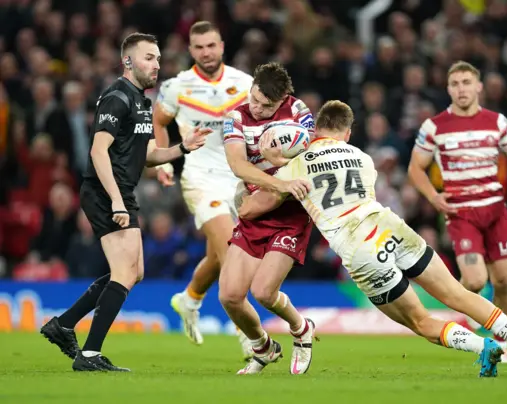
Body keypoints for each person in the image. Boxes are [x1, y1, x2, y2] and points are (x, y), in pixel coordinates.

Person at [238, 100, 507, 378]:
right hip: (390, 227)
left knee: (421, 321)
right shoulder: (363, 159)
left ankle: (483, 346)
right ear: (348, 132)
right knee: (456, 293)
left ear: (316, 130)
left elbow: (251, 210)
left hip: (359, 247)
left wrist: (274, 165)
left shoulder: (296, 165)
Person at [40, 33, 210, 372]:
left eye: (158, 58)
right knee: (124, 272)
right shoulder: (117, 97)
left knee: (135, 272)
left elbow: (148, 155)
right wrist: (117, 201)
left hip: (122, 191)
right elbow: (97, 151)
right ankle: (88, 355)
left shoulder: (142, 101)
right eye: (149, 57)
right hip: (107, 192)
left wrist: (183, 147)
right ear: (129, 61)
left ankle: (64, 324)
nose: (157, 64)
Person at [407, 61, 507, 364]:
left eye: (466, 82)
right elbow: (416, 168)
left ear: (479, 86)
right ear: (448, 88)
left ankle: (501, 341)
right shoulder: (435, 126)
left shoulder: (497, 122)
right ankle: (465, 300)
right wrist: (434, 197)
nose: (461, 89)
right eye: (454, 84)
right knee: (476, 280)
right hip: (461, 212)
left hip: (495, 211)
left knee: (504, 280)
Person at [153, 21, 253, 357]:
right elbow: (159, 122)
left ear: (222, 45)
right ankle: (250, 336)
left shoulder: (244, 83)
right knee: (230, 248)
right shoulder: (177, 86)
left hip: (238, 178)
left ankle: (189, 299)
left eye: (211, 45)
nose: (206, 53)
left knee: (215, 255)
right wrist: (165, 161)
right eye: (199, 47)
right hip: (200, 177)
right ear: (190, 50)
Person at [220, 62, 316, 375]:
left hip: (290, 212)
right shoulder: (236, 116)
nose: (258, 109)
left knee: (263, 292)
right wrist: (279, 183)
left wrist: (283, 187)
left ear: (284, 99)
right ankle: (263, 346)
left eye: (267, 105)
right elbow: (238, 165)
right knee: (230, 296)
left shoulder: (299, 111)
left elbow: (311, 158)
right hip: (258, 208)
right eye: (255, 100)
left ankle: (301, 328)